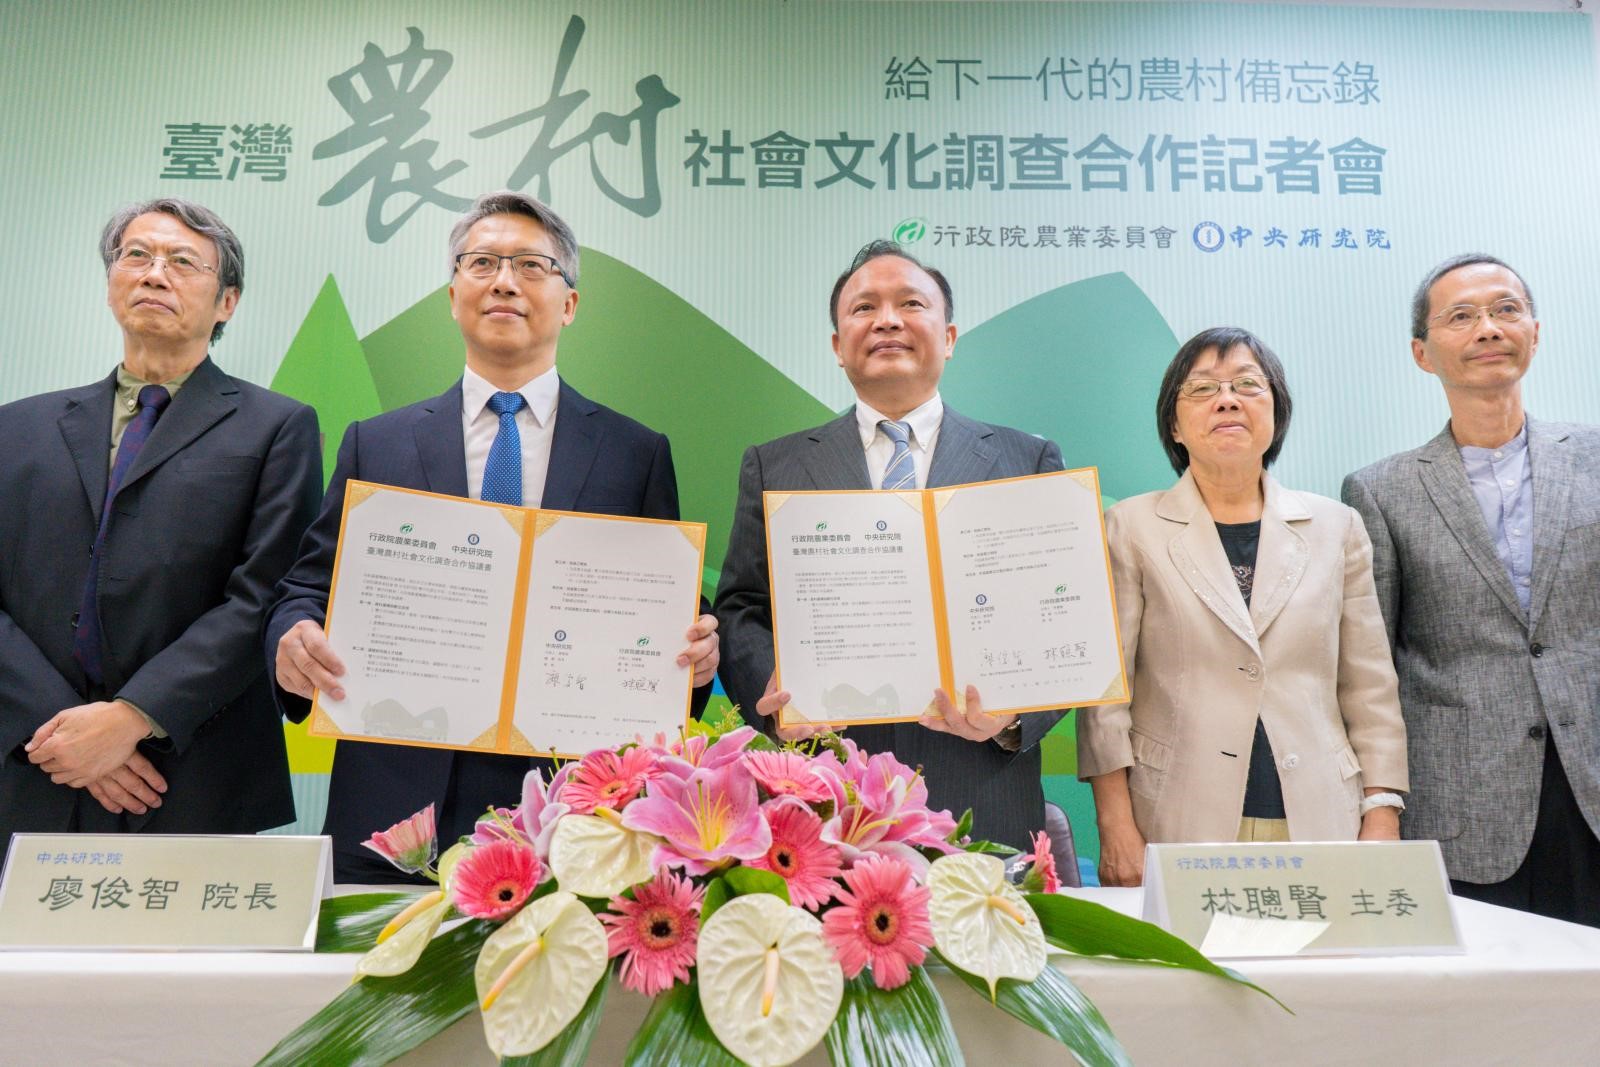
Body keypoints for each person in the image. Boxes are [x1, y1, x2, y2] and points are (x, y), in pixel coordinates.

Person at [267, 191, 719, 883]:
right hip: (393, 800)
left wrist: (695, 663)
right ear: (453, 295)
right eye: (482, 262)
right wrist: (292, 636)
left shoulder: (636, 453)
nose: (504, 280)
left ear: (569, 303)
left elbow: (665, 625)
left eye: (531, 265)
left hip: (574, 813)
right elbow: (307, 584)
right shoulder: (377, 443)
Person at [714, 240, 1065, 851]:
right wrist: (774, 693)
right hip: (823, 795)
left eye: (910, 304)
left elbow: (1060, 616)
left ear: (949, 336)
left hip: (980, 794)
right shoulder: (777, 465)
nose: (887, 320)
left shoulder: (1024, 460)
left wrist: (1011, 717)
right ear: (837, 345)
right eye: (864, 308)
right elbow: (741, 606)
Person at [0, 198, 322, 855]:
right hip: (34, 768)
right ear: (111, 281)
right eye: (136, 256)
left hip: (192, 778)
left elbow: (261, 596)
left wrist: (130, 719)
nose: (153, 274)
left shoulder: (276, 428)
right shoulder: (16, 428)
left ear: (227, 301)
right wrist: (66, 734)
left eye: (183, 262)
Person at [1078, 327, 1408, 886]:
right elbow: (1107, 699)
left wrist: (1381, 811)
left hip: (1324, 814)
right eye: (1203, 389)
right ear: (1175, 425)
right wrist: (1116, 826)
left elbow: (1370, 686)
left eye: (1248, 385)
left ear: (1276, 413)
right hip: (1177, 817)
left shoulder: (1336, 527)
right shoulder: (1130, 527)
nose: (1227, 399)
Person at [1343, 255, 1600, 926]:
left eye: (1504, 309)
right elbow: (1373, 668)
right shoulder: (1381, 490)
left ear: (1534, 334)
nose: (1488, 327)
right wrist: (1382, 803)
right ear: (1423, 353)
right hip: (1465, 813)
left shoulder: (1595, 458)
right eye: (1462, 316)